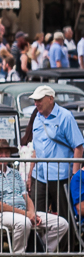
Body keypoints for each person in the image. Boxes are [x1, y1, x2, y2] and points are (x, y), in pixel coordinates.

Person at [0, 138, 69, 257]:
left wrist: (32, 213)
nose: (4, 155)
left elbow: (26, 197)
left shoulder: (15, 173)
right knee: (24, 222)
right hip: (0, 214)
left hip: (23, 213)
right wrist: (26, 214)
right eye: (0, 152)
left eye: (6, 152)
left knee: (62, 223)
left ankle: (40, 254)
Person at [24, 85, 84, 242]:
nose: (36, 103)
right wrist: (30, 174)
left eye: (39, 100)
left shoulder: (65, 116)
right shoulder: (37, 118)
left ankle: (66, 251)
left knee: (65, 216)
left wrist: (74, 175)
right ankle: (39, 250)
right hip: (39, 175)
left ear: (51, 99)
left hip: (61, 175)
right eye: (35, 100)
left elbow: (78, 147)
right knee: (35, 214)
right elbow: (36, 149)